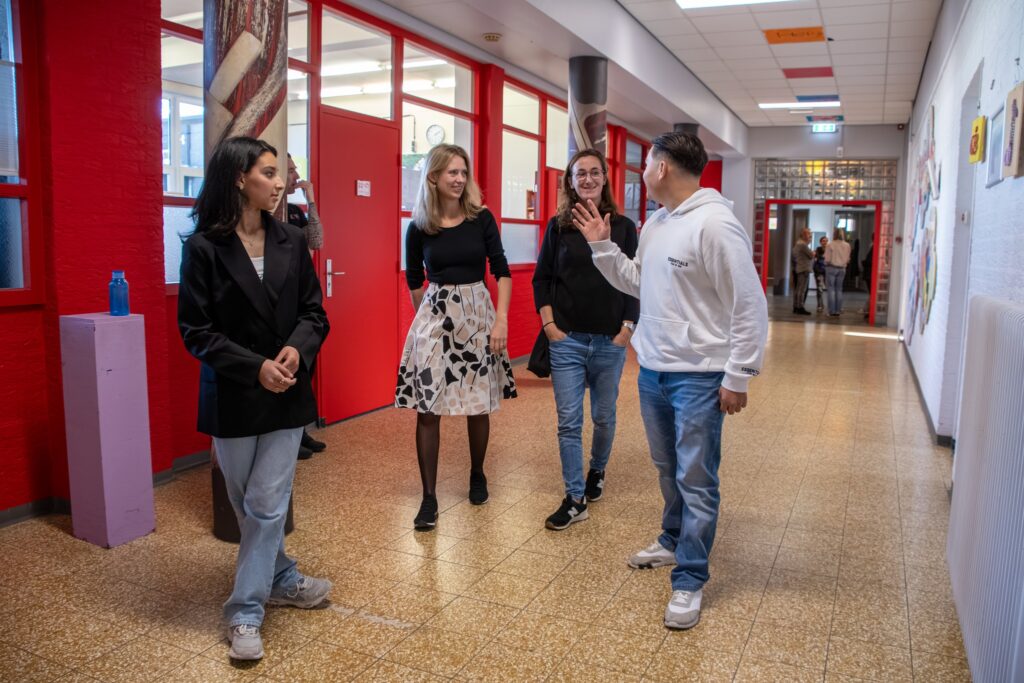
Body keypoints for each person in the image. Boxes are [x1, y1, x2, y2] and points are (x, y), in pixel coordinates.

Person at [574, 131, 767, 630]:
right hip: (654, 370)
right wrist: (602, 247)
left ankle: (690, 577)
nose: (642, 173)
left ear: (661, 168)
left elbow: (749, 306)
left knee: (696, 477)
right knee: (667, 467)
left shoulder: (716, 225)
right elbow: (640, 282)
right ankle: (672, 538)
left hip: (699, 376)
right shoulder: (657, 223)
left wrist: (739, 375)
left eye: (646, 164)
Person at [177, 136, 331, 661]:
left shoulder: (292, 239)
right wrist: (255, 367)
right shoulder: (203, 248)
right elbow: (196, 331)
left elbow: (315, 313)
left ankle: (244, 612)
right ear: (239, 178)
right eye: (268, 172)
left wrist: (295, 350)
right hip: (235, 394)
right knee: (250, 505)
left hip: (287, 390)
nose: (279, 182)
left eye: (278, 172)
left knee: (266, 503)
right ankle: (283, 575)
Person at [396, 144, 517, 531]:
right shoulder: (419, 226)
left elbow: (501, 270)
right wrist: (427, 319)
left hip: (478, 313)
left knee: (477, 403)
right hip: (435, 315)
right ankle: (429, 498)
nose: (460, 179)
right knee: (427, 406)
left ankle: (477, 474)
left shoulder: (481, 218)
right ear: (433, 177)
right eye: (452, 172)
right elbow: (414, 278)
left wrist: (501, 321)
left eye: (464, 172)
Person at [532, 149, 638, 530]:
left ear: (605, 179)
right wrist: (549, 325)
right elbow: (542, 278)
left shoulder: (623, 227)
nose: (588, 179)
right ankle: (575, 498)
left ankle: (598, 469)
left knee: (603, 416)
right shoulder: (558, 227)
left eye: (595, 172)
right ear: (571, 181)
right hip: (568, 340)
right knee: (569, 421)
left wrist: (627, 328)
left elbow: (635, 280)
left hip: (610, 340)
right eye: (581, 174)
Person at [284, 154, 327, 459]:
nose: (295, 175)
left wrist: (310, 200)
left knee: (305, 368)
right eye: (290, 170)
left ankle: (299, 431)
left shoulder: (294, 212)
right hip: (284, 300)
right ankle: (288, 437)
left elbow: (316, 240)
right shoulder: (270, 216)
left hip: (302, 297)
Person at [824, 228, 852, 317]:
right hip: (842, 269)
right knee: (839, 289)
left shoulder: (830, 245)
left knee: (831, 289)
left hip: (831, 268)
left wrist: (825, 263)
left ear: (834, 234)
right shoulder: (847, 245)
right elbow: (848, 259)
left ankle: (831, 311)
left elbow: (827, 259)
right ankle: (838, 310)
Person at [792, 228, 814, 315]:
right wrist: (813, 253)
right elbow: (811, 255)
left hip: (799, 268)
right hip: (804, 268)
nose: (810, 236)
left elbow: (794, 256)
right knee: (802, 289)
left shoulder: (797, 244)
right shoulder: (803, 245)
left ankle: (796, 306)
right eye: (809, 234)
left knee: (798, 289)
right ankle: (800, 307)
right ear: (804, 235)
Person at [813, 235, 828, 313]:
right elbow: (817, 258)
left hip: (827, 271)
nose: (825, 242)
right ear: (820, 242)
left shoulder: (829, 249)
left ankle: (824, 304)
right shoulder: (818, 249)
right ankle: (819, 305)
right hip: (818, 271)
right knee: (819, 288)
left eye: (826, 241)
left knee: (828, 288)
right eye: (823, 241)